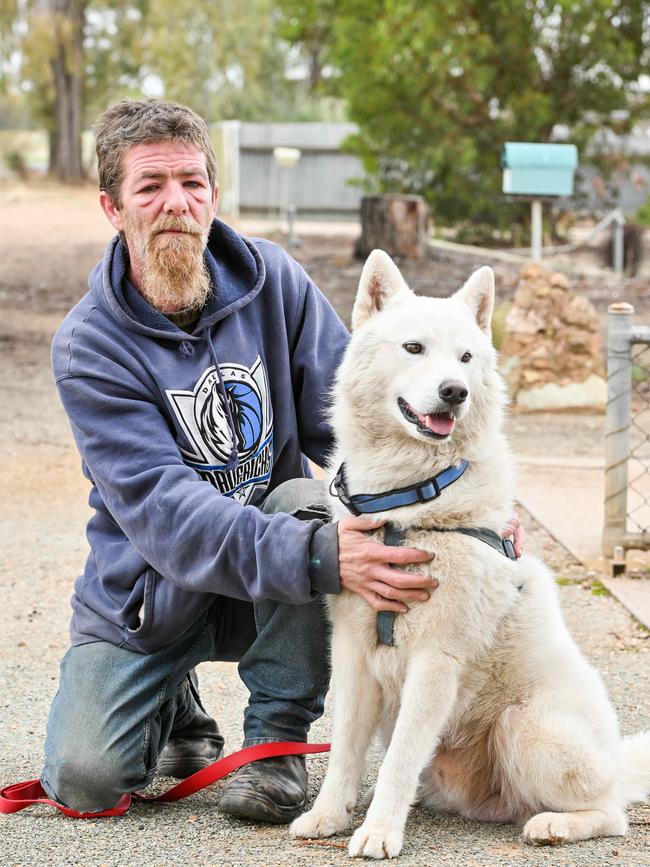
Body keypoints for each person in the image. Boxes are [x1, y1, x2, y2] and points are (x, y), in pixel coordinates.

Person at [41, 99, 445, 824]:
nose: (177, 203)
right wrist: (321, 556)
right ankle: (176, 703)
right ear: (112, 207)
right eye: (151, 186)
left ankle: (276, 746)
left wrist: (459, 496)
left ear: (215, 195)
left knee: (302, 498)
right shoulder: (88, 346)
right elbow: (166, 511)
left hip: (276, 578)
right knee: (87, 777)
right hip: (155, 594)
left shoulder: (273, 280)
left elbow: (352, 418)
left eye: (192, 183)